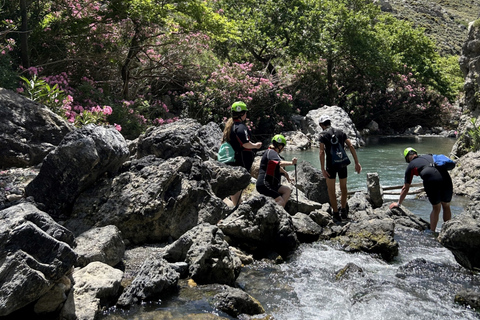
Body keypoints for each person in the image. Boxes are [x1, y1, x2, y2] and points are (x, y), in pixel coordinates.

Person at [389, 147, 453, 232]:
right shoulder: (429, 156)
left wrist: (398, 204)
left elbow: (405, 188)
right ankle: (448, 231)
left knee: (436, 207)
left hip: (431, 180)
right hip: (446, 178)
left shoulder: (411, 165)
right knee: (446, 205)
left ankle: (432, 233)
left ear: (407, 158)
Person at [318, 115, 362, 222]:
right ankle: (344, 211)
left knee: (331, 190)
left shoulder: (323, 135)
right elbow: (351, 145)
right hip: (342, 164)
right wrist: (357, 162)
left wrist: (323, 169)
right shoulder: (340, 132)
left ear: (321, 125)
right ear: (330, 122)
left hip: (331, 166)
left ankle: (336, 214)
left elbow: (322, 152)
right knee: (343, 188)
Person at [222, 101, 262, 206]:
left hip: (234, 159)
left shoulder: (231, 126)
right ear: (242, 114)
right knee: (238, 184)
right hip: (241, 160)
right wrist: (256, 145)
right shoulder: (241, 127)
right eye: (245, 113)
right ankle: (237, 205)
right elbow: (245, 144)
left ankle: (236, 204)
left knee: (235, 184)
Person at [256, 134, 297, 207]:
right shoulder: (271, 152)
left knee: (287, 190)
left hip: (271, 184)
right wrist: (292, 163)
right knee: (280, 201)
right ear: (280, 146)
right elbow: (280, 163)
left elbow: (276, 166)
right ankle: (272, 212)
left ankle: (280, 212)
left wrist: (285, 173)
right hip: (265, 184)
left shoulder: (271, 153)